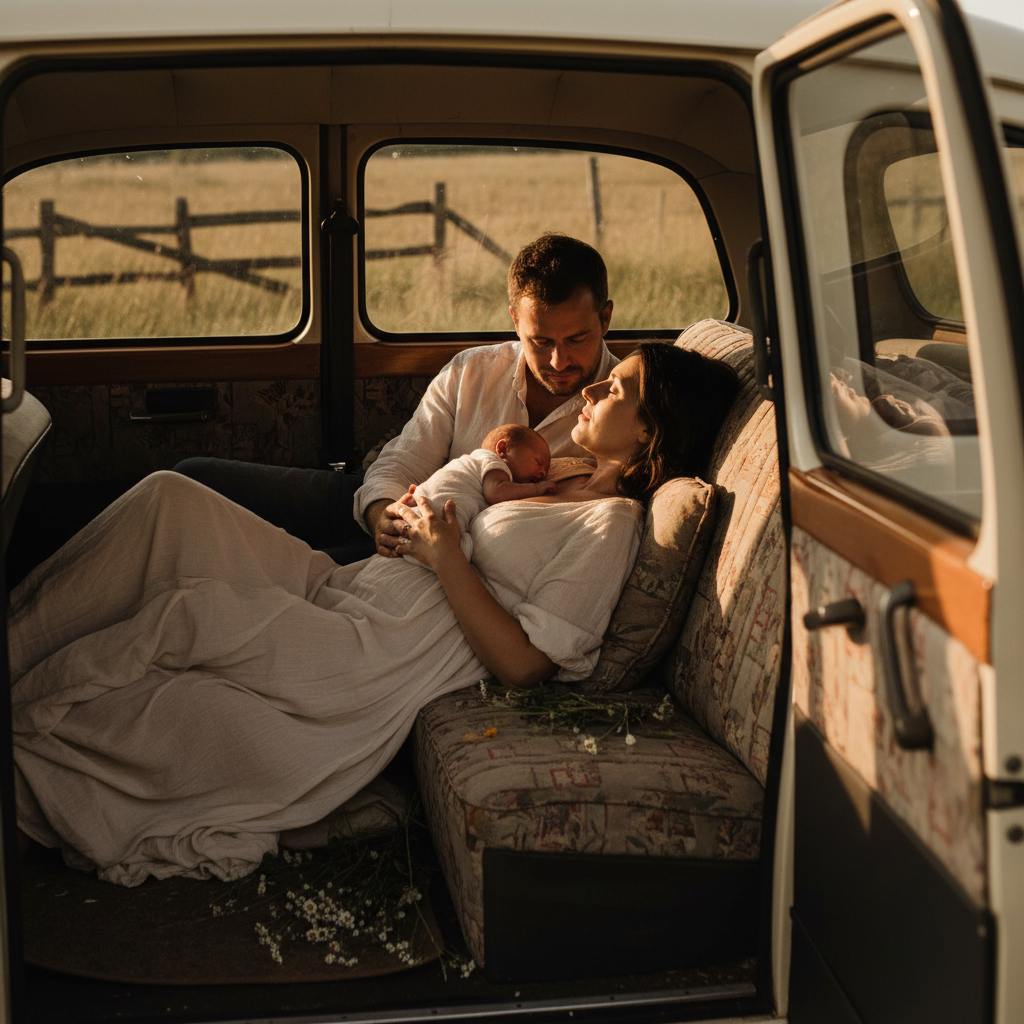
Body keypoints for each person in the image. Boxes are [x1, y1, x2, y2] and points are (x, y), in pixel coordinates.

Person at [10, 342, 737, 887]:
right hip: (351, 585)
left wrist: (446, 557)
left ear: (650, 433)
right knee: (171, 500)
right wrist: (415, 515)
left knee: (187, 618)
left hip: (376, 651)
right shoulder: (564, 469)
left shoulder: (610, 527)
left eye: (619, 387)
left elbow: (525, 666)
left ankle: (24, 727)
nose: (596, 384)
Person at [173, 233, 618, 564]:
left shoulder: (625, 411)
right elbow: (401, 461)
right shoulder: (472, 371)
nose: (559, 360)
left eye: (577, 339)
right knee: (192, 481)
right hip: (384, 506)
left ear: (606, 318)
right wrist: (382, 516)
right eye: (540, 341)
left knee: (259, 571)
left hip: (444, 561)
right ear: (515, 322)